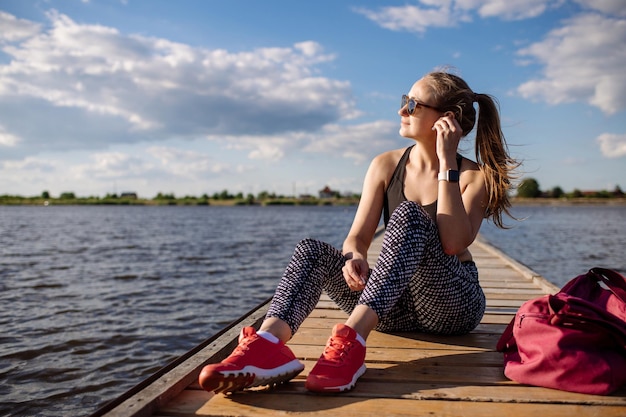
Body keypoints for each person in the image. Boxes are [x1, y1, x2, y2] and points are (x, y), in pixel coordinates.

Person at [198, 69, 518, 394]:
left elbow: (453, 243)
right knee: (312, 251)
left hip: (452, 307)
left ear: (446, 119)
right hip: (391, 307)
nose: (402, 110)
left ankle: (350, 342)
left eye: (412, 104)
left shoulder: (472, 176)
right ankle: (267, 346)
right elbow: (358, 237)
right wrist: (354, 257)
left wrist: (446, 161)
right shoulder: (385, 164)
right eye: (404, 101)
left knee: (410, 214)